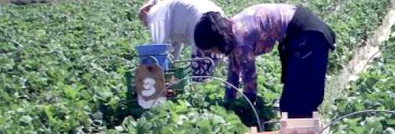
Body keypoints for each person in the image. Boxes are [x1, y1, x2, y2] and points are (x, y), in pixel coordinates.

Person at [193, 4, 336, 119]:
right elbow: (233, 74)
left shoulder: (241, 39)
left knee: (297, 99)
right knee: (294, 99)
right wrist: (228, 103)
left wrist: (247, 108)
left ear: (218, 42)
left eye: (211, 49)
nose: (213, 54)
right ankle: (303, 132)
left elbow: (249, 79)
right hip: (301, 32)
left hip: (308, 34)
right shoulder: (232, 31)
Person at [138, 0, 225, 80]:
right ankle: (218, 80)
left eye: (146, 24)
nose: (147, 26)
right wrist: (172, 66)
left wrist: (158, 72)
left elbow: (159, 47)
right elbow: (175, 44)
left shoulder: (154, 14)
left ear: (145, 13)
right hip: (215, 15)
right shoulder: (166, 8)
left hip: (201, 20)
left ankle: (202, 86)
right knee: (217, 51)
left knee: (201, 61)